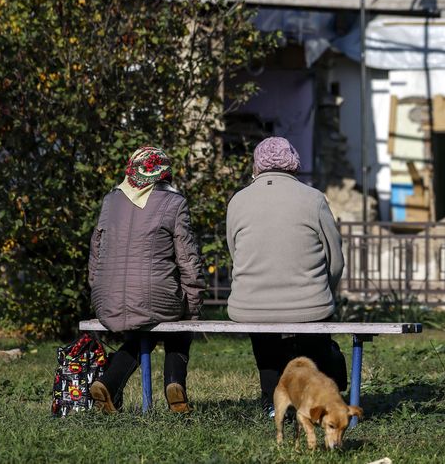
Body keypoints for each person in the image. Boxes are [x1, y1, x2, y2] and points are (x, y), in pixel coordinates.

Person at [226, 136, 348, 415]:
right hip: (310, 303)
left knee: (265, 341)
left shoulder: (238, 201)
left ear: (256, 167)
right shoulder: (314, 199)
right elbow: (336, 261)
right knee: (315, 342)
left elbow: (235, 251)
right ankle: (321, 395)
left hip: (249, 305)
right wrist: (322, 291)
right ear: (294, 165)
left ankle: (273, 401)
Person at [87, 145, 206, 414]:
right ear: (165, 173)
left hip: (107, 300)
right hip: (154, 298)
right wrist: (194, 304)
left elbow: (95, 252)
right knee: (179, 323)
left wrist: (100, 290)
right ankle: (175, 385)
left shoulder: (110, 201)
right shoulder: (174, 203)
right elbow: (187, 259)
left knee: (145, 325)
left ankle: (109, 382)